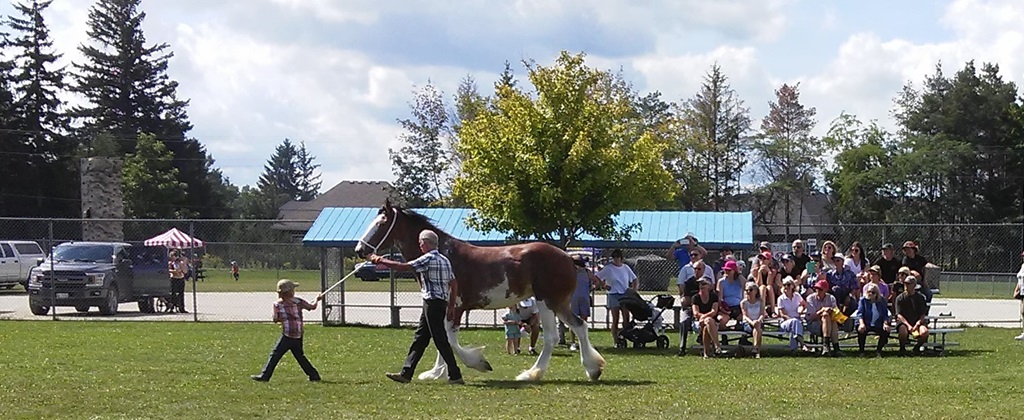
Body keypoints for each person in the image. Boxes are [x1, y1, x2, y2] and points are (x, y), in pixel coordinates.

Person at [373, 230, 464, 385]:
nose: (420, 245)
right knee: (420, 338)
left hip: (432, 302)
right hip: (440, 302)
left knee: (440, 339)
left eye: (421, 242)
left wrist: (379, 260)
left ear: (426, 243)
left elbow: (403, 267)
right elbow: (453, 283)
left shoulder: (427, 259)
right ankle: (406, 373)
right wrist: (451, 305)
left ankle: (455, 374)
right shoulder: (444, 260)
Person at [251, 279, 323, 382]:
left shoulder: (277, 305)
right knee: (300, 356)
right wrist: (317, 299)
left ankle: (265, 376)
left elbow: (275, 319)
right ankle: (314, 375)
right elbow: (312, 307)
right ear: (291, 292)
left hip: (287, 335)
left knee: (275, 354)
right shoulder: (298, 302)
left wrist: (281, 318)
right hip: (298, 334)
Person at [596, 249, 638, 345]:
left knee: (626, 317)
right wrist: (604, 285)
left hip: (624, 294)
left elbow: (635, 279)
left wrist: (634, 291)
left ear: (621, 258)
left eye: (618, 257)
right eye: (614, 257)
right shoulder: (608, 268)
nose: (616, 259)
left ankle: (625, 337)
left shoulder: (626, 268)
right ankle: (616, 340)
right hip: (613, 294)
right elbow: (597, 277)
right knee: (615, 318)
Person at [568, 255, 599, 351]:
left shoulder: (587, 272)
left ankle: (584, 342)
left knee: (584, 321)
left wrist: (591, 288)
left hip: (584, 298)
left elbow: (596, 281)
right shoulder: (571, 272)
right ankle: (573, 342)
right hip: (573, 299)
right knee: (573, 321)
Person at [894, 275, 929, 356]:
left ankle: (916, 348)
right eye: (905, 284)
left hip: (917, 322)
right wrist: (908, 326)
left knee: (925, 332)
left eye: (909, 284)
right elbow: (899, 315)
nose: (906, 286)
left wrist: (917, 324)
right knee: (903, 331)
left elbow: (923, 314)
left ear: (914, 285)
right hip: (904, 322)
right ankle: (902, 349)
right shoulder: (900, 298)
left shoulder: (920, 298)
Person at [806, 279, 840, 356]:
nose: (817, 291)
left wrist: (830, 310)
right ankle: (834, 347)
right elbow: (812, 317)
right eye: (816, 289)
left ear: (826, 290)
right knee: (825, 315)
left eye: (820, 289)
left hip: (828, 325)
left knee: (831, 319)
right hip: (814, 324)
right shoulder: (810, 298)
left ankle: (828, 346)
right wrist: (822, 310)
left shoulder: (831, 298)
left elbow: (837, 313)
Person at [776, 277, 810, 352]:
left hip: (796, 320)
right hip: (785, 322)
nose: (786, 287)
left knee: (795, 326)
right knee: (795, 322)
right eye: (784, 285)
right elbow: (782, 314)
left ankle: (793, 350)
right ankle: (803, 344)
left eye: (788, 285)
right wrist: (791, 319)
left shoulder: (797, 296)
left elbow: (804, 304)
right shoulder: (781, 298)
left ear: (792, 286)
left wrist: (801, 310)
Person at [856, 282, 890, 357]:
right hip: (865, 322)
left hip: (878, 323)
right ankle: (861, 351)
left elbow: (885, 314)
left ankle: (879, 351)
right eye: (869, 292)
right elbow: (860, 314)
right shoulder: (863, 300)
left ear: (877, 293)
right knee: (861, 331)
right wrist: (861, 324)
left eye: (873, 292)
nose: (871, 294)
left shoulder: (882, 301)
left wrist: (885, 323)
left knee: (886, 331)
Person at [692, 278, 721, 358]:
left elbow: (714, 311)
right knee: (708, 321)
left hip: (711, 323)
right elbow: (695, 313)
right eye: (700, 284)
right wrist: (703, 318)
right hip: (698, 322)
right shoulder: (695, 298)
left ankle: (706, 353)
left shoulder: (714, 297)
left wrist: (704, 317)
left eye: (704, 284)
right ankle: (717, 346)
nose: (701, 286)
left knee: (707, 324)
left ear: (709, 286)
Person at [716, 260, 745, 330]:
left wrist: (739, 274)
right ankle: (724, 338)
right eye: (725, 270)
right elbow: (719, 297)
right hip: (726, 307)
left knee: (744, 319)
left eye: (729, 270)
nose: (726, 272)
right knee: (722, 320)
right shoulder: (721, 282)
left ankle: (743, 339)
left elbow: (745, 285)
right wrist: (723, 309)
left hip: (738, 307)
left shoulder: (739, 280)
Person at [740, 281, 765, 358]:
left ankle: (755, 349)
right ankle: (757, 350)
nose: (748, 292)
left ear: (756, 291)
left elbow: (762, 314)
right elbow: (745, 316)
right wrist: (752, 322)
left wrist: (758, 320)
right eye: (746, 290)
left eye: (750, 290)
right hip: (747, 323)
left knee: (758, 328)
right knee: (758, 330)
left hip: (758, 321)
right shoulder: (744, 303)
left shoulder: (760, 301)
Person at [1014, 250, 1024, 341]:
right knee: (1022, 312)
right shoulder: (1023, 266)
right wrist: (1017, 289)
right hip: (1022, 292)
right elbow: (1020, 278)